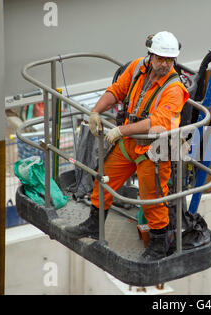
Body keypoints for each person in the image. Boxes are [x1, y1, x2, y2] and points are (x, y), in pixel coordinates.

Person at [65, 31, 189, 262]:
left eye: (169, 60)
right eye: (160, 58)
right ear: (151, 55)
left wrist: (120, 130)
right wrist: (95, 111)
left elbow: (158, 123)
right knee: (103, 179)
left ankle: (159, 245)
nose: (164, 64)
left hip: (153, 150)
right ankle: (94, 224)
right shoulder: (137, 69)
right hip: (128, 144)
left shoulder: (174, 89)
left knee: (151, 199)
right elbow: (117, 90)